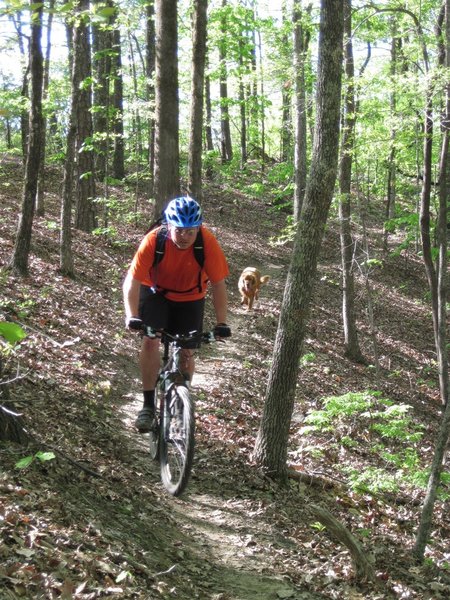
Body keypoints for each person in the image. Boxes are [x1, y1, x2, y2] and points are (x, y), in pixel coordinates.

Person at [123, 196, 231, 432]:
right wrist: (131, 315)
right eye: (180, 231)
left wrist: (222, 322)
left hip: (191, 298)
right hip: (156, 294)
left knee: (186, 351)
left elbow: (219, 284)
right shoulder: (154, 240)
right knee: (151, 341)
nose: (185, 237)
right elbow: (132, 281)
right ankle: (148, 406)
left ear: (198, 228)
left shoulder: (207, 243)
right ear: (169, 226)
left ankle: (183, 402)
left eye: (190, 231)